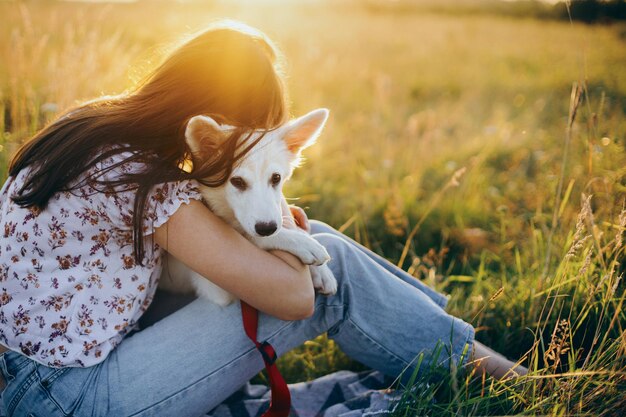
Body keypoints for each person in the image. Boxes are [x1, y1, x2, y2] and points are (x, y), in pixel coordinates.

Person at [0, 20, 526, 416]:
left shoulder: (88, 127)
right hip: (64, 398)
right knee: (327, 275)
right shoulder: (142, 180)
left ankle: (453, 348)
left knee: (314, 246)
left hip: (28, 377)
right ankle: (518, 387)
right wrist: (288, 235)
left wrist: (288, 235)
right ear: (208, 123)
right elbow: (294, 299)